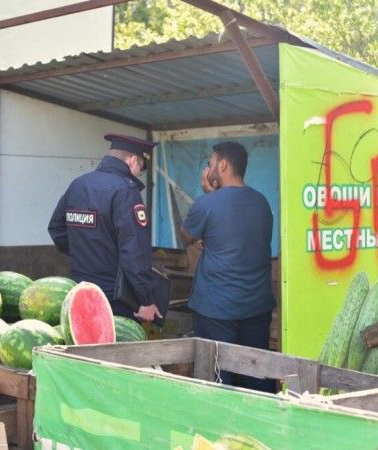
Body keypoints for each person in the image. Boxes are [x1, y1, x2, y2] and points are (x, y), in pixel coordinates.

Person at [180, 141, 276, 393]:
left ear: (222, 165)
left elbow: (187, 236)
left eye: (210, 164)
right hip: (256, 306)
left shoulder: (206, 204)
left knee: (217, 379)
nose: (208, 169)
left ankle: (220, 430)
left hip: (216, 308)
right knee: (256, 377)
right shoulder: (262, 203)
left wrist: (208, 196)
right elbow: (238, 236)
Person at [48, 133, 163, 323]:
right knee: (115, 350)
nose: (139, 174)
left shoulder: (78, 184)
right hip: (115, 296)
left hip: (79, 289)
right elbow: (134, 251)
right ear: (134, 160)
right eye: (141, 169)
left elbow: (56, 229)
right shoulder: (126, 191)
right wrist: (146, 300)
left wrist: (85, 254)